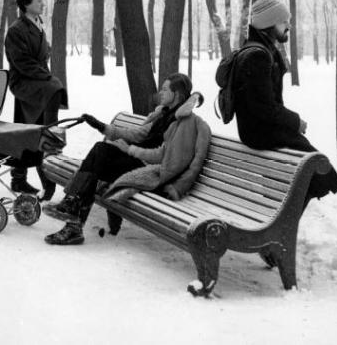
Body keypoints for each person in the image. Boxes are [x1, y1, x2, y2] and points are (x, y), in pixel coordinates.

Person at [42, 73, 211, 245]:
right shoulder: (164, 114)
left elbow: (167, 160)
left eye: (165, 89)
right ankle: (73, 217)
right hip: (140, 164)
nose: (161, 93)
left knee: (100, 155)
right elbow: (138, 134)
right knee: (98, 158)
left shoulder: (186, 122)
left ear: (177, 94)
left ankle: (73, 214)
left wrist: (129, 149)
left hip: (155, 175)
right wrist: (102, 127)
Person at [233, 0, 337, 210]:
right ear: (269, 23)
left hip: (259, 129)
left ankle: (284, 215)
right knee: (318, 169)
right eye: (283, 21)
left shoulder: (257, 49)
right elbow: (264, 107)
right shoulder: (258, 56)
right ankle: (284, 219)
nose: (288, 26)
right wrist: (295, 121)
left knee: (315, 169)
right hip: (260, 132)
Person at [5, 0, 67, 201]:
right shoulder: (16, 30)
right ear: (26, 4)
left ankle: (20, 178)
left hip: (37, 83)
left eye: (43, 0)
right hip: (23, 82)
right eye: (38, 1)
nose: (43, 4)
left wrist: (46, 77)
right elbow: (22, 62)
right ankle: (50, 138)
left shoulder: (39, 25)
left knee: (28, 130)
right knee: (37, 129)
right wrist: (47, 78)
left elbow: (42, 56)